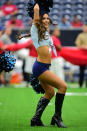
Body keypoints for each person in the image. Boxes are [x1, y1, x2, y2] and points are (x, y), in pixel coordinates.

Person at [29, 2, 67, 128]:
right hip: (40, 67)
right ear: (38, 19)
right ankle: (57, 117)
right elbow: (36, 11)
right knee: (63, 86)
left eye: (47, 18)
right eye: (43, 18)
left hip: (43, 66)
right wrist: (38, 5)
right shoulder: (35, 29)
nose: (46, 20)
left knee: (50, 92)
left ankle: (35, 119)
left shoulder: (45, 31)